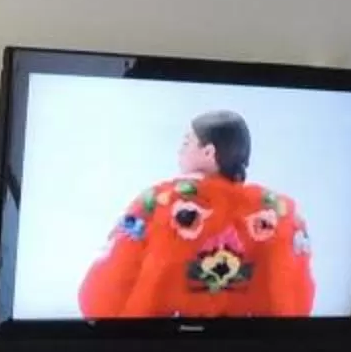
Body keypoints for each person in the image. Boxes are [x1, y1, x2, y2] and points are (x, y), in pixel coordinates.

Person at [77, 110, 315, 319]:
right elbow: (295, 300)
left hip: (159, 347)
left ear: (209, 152)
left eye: (186, 142)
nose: (179, 150)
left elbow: (107, 286)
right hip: (248, 349)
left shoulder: (158, 201)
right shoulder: (280, 210)